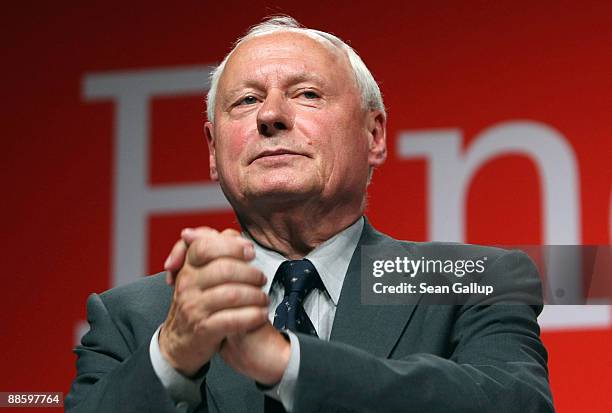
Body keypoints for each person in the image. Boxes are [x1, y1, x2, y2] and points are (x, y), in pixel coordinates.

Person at [66, 16, 554, 413]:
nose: (270, 115)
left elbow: (519, 404)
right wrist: (172, 355)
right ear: (214, 151)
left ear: (374, 135)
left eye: (307, 94)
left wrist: (286, 361)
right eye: (247, 100)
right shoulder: (134, 318)